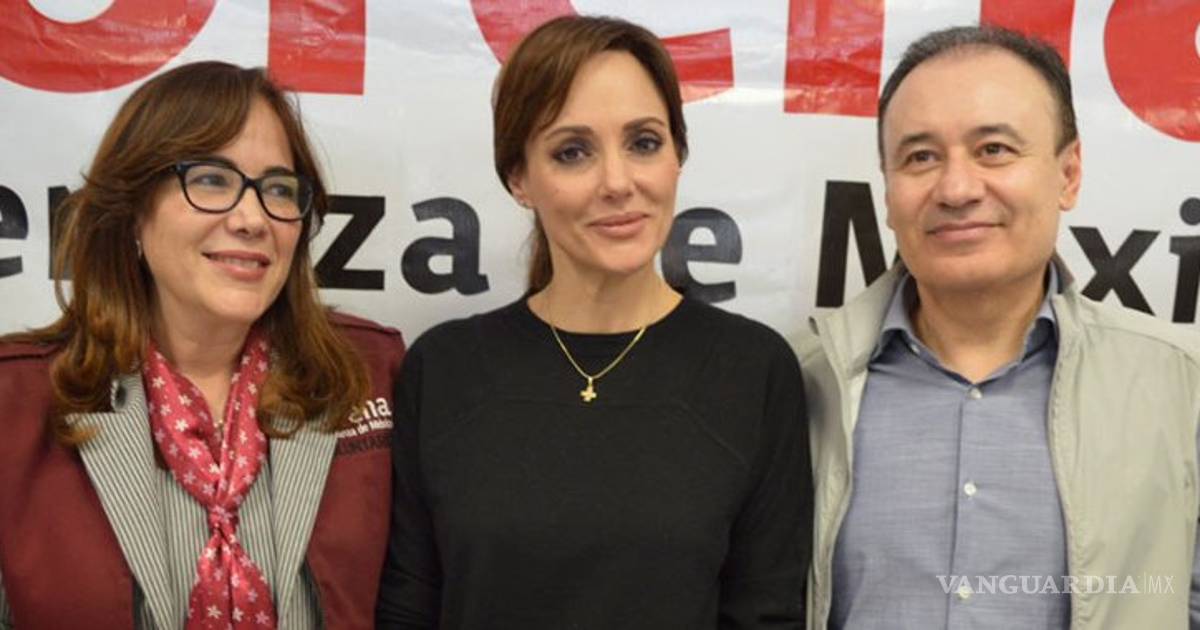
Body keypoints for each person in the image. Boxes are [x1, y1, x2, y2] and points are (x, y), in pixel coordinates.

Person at [376, 15, 810, 629]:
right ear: (519, 178)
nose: (617, 183)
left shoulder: (753, 370)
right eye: (572, 152)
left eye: (644, 143)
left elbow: (767, 614)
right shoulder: (446, 367)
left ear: (678, 156)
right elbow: (407, 608)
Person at [791, 25, 1200, 628]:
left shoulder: (1180, 383)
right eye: (921, 157)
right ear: (888, 190)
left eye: (994, 150)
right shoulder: (800, 382)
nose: (956, 189)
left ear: (1068, 174)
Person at [0, 61, 404, 629]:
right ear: (134, 209)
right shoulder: (15, 401)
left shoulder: (370, 372)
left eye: (278, 189)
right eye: (212, 180)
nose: (252, 218)